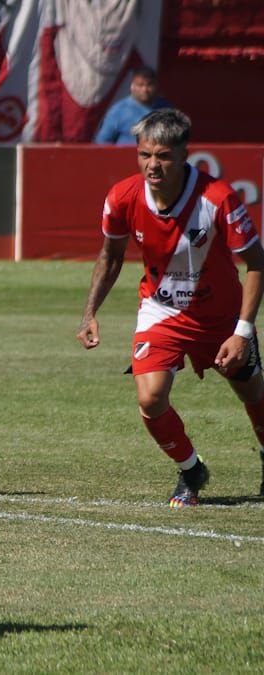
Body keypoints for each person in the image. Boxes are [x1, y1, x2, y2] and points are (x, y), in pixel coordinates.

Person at [77, 108, 264, 506]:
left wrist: (242, 331)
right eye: (145, 155)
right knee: (150, 398)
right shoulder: (123, 197)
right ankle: (191, 470)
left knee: (252, 394)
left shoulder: (217, 198)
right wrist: (90, 312)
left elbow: (257, 263)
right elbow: (110, 257)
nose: (152, 164)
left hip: (221, 317)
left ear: (184, 154)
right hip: (161, 311)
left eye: (162, 155)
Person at [94, 67, 170, 145]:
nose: (145, 89)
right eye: (140, 85)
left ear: (156, 85)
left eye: (149, 85)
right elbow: (102, 143)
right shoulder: (118, 111)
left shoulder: (167, 108)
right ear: (132, 86)